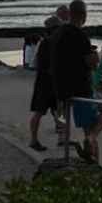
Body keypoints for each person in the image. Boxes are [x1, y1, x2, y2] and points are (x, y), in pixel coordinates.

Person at [51, 0, 101, 161]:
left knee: (81, 124)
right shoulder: (80, 35)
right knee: (94, 125)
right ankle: (94, 160)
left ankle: (87, 150)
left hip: (63, 87)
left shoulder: (58, 33)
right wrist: (97, 57)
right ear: (83, 15)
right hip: (81, 88)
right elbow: (92, 64)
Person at [28, 16, 63, 151]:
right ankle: (33, 140)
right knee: (41, 112)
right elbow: (45, 65)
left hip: (45, 82)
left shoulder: (47, 42)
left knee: (58, 111)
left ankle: (61, 138)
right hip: (46, 83)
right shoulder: (48, 43)